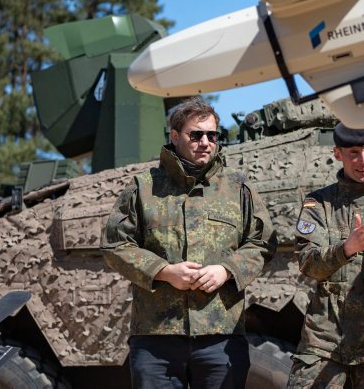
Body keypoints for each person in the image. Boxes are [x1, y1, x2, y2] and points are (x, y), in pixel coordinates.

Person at [101, 97, 273, 389]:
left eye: (212, 135)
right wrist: (165, 272)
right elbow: (115, 245)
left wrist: (227, 270)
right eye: (196, 135)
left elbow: (263, 242)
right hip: (156, 337)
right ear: (175, 136)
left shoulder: (237, 188)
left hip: (221, 335)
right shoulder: (143, 187)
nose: (205, 142)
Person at [288, 124, 364, 388]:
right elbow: (308, 263)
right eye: (353, 153)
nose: (363, 160)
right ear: (337, 154)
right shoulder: (318, 204)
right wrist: (346, 249)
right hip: (325, 341)